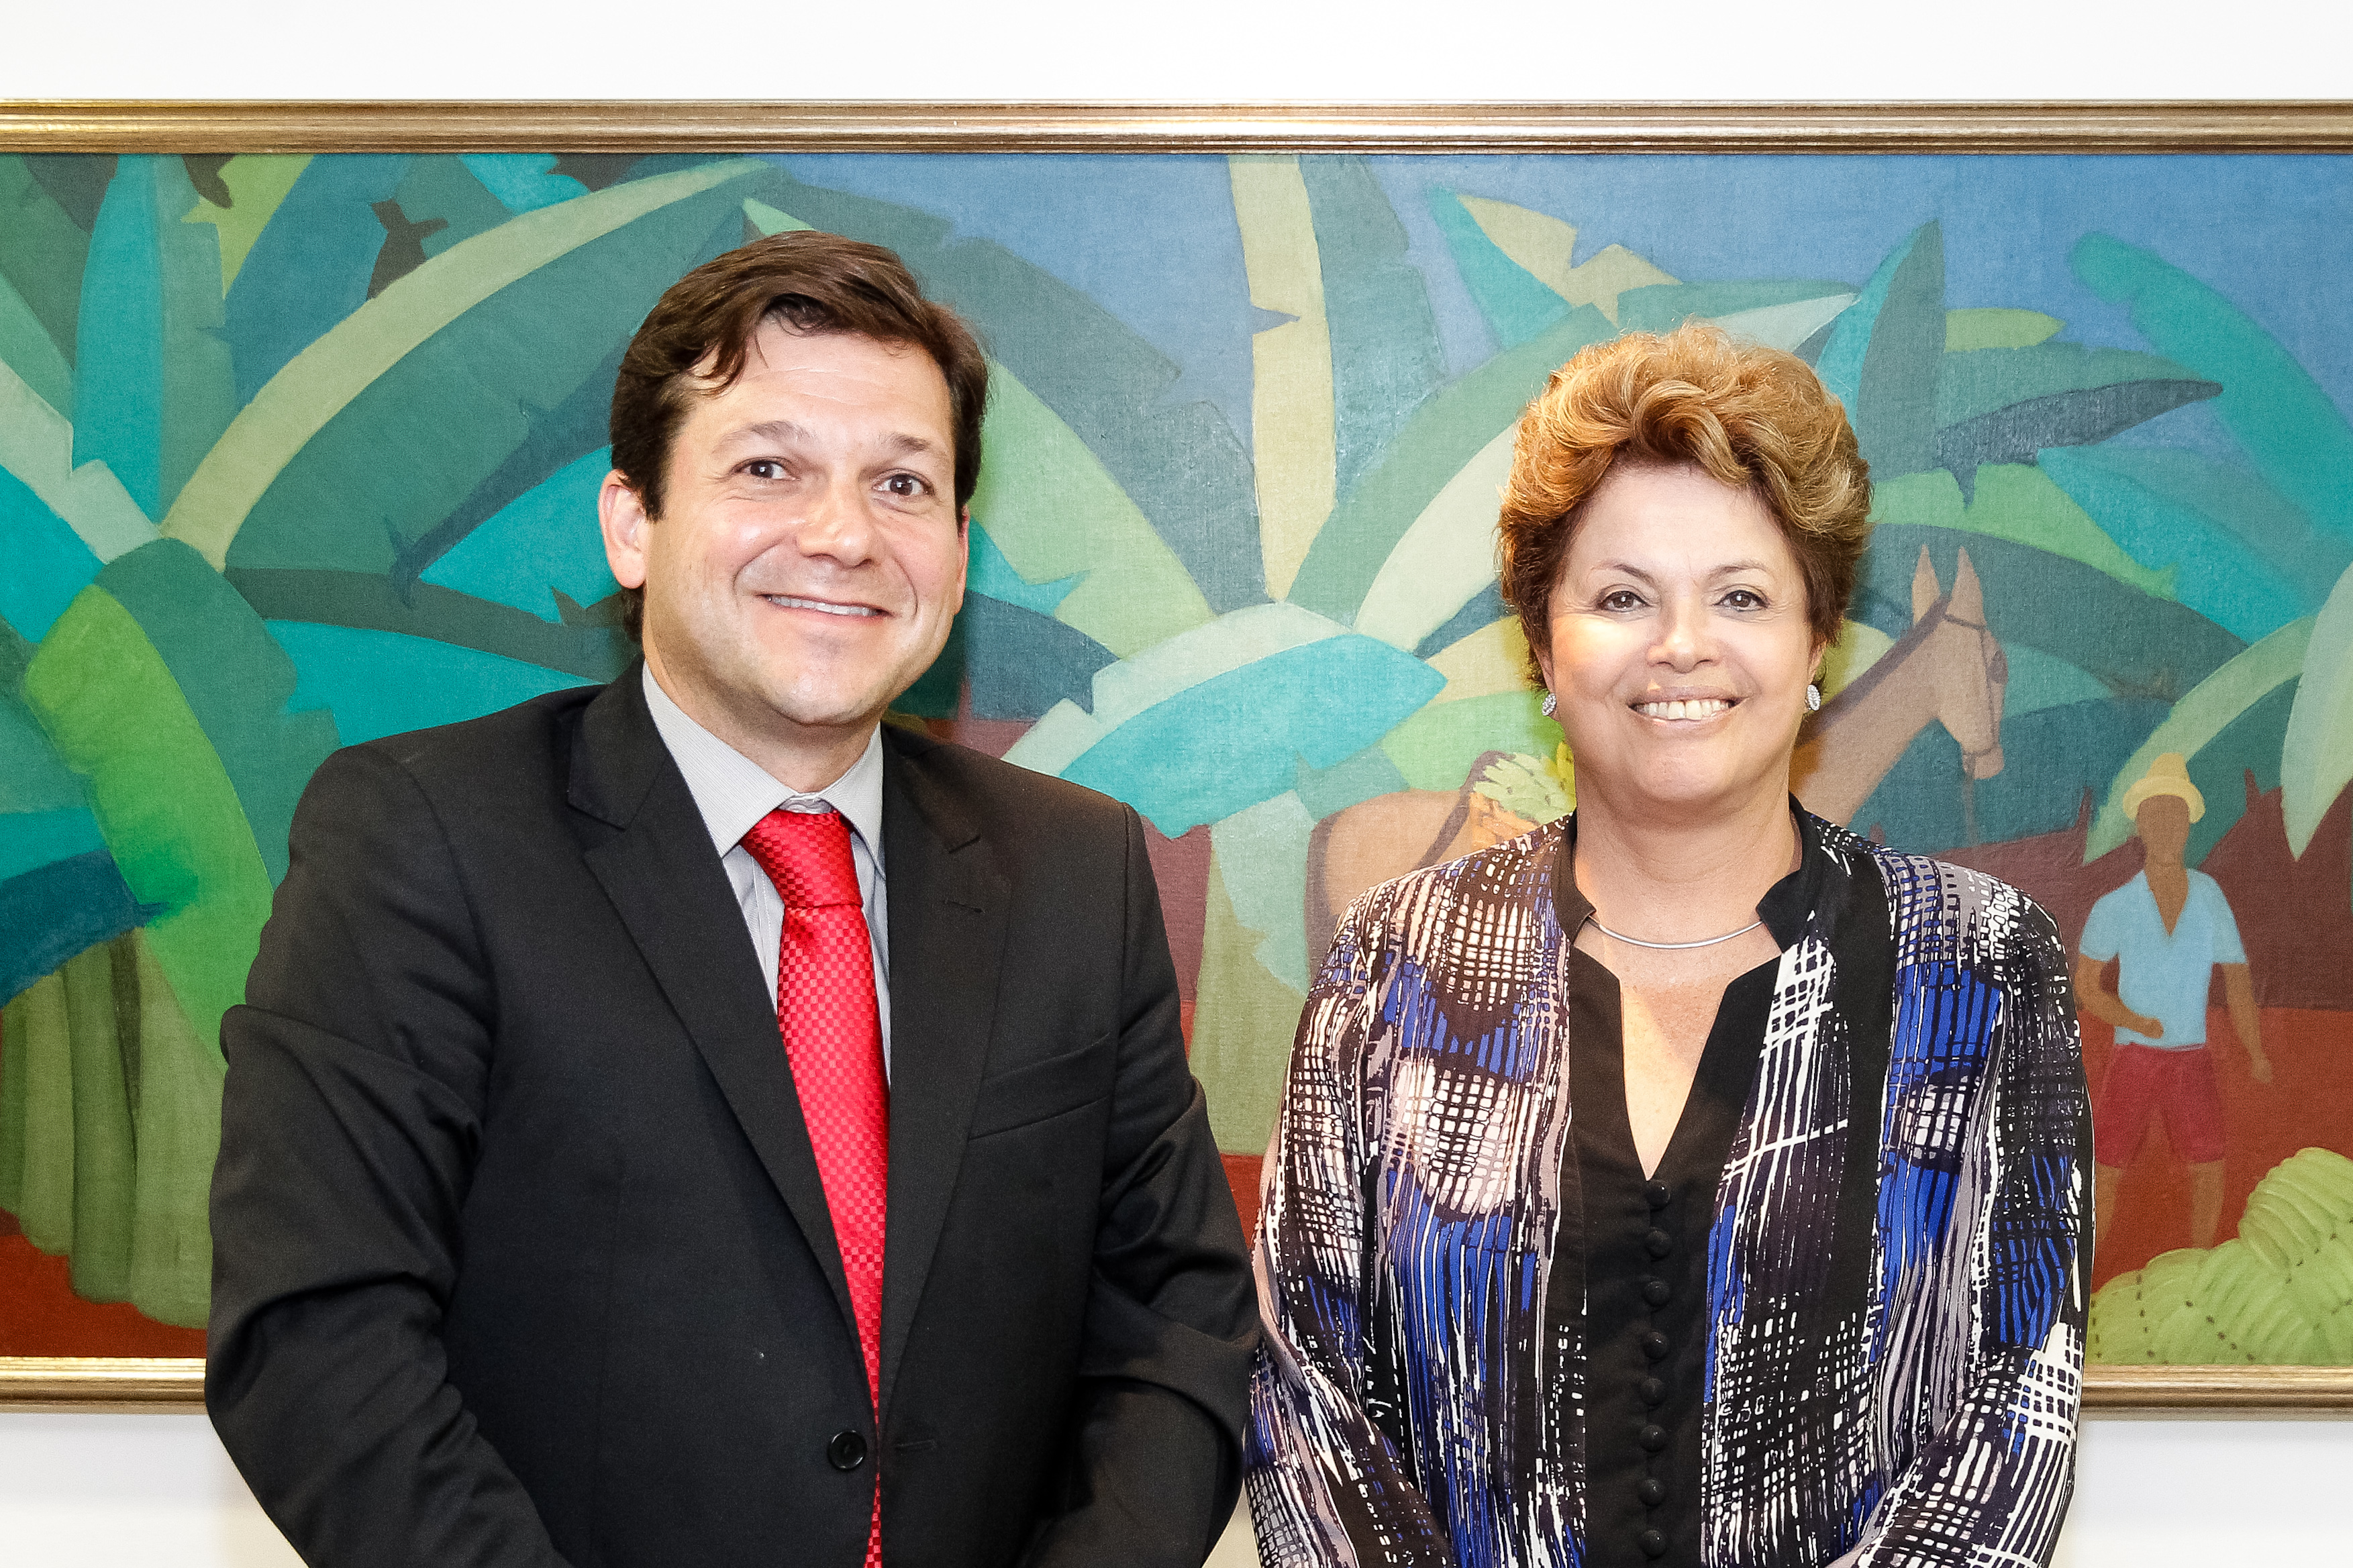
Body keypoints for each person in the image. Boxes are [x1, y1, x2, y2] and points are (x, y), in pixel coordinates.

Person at [207, 231, 1255, 1568]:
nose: (842, 534)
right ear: (632, 519)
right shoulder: (422, 839)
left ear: (955, 545)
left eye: (901, 482)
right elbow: (319, 1335)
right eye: (769, 467)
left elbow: (1175, 1318)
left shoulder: (1075, 870)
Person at [1245, 323, 2089, 1567]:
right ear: (1543, 643)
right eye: (1622, 595)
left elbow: (2013, 1404)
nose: (1680, 643)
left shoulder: (1980, 960)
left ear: (1817, 643)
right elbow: (1303, 1396)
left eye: (1740, 595)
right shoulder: (1395, 960)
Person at [2078, 752, 2271, 1255]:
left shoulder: (2210, 897)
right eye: (2156, 816)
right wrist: (2133, 1019)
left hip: (2192, 1060)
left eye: (2176, 816)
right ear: (2140, 824)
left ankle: (2202, 1270)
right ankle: (2085, 1282)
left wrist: (2255, 1050)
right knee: (2106, 1172)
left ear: (2188, 826)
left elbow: (2238, 978)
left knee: (2209, 1168)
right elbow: (2086, 986)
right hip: (2132, 1059)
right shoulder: (2114, 906)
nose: (2167, 827)